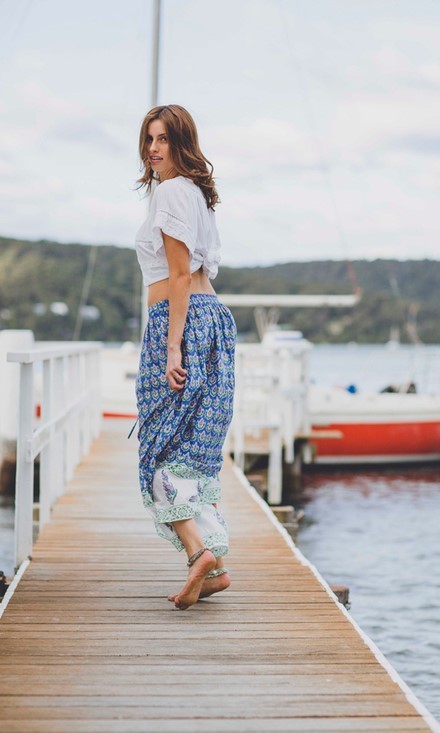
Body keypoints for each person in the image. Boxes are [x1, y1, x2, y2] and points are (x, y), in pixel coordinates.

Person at [132, 104, 237, 610]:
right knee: (193, 451)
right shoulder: (195, 192)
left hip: (180, 321)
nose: (154, 149)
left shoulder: (172, 192)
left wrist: (172, 344)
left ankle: (199, 552)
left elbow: (178, 275)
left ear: (181, 143)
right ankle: (214, 569)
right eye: (149, 139)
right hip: (212, 318)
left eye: (164, 139)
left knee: (158, 448)